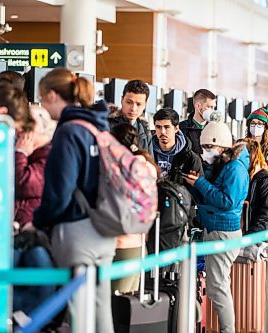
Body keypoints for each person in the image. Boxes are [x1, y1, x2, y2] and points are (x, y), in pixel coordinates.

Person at [32, 68, 116, 332]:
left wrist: (39, 221)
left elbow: (60, 190)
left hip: (77, 231)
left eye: (43, 100)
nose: (44, 108)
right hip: (105, 228)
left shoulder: (68, 131)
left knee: (79, 313)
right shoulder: (98, 125)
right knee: (101, 310)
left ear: (54, 96)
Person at [183, 121, 249, 333]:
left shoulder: (235, 169)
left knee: (218, 288)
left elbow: (226, 201)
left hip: (224, 233)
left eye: (208, 148)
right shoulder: (225, 166)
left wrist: (200, 183)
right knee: (217, 286)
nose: (205, 153)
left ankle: (228, 330)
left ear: (222, 146)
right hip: (215, 229)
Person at [110, 123, 159, 294]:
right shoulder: (147, 167)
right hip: (138, 242)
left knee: (115, 302)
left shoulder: (125, 168)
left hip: (121, 242)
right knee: (129, 304)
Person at [13, 106, 54, 230]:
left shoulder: (48, 155)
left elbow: (24, 183)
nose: (19, 131)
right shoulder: (34, 152)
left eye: (27, 128)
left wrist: (21, 152)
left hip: (30, 227)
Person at [152, 107, 203, 184]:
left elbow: (198, 189)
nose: (162, 132)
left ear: (176, 128)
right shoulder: (148, 153)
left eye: (167, 127)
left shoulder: (191, 159)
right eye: (158, 127)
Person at [108, 79, 154, 157]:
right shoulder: (108, 125)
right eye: (129, 102)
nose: (133, 108)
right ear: (122, 100)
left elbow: (150, 162)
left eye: (139, 104)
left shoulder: (145, 129)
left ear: (145, 105)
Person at [245, 139, 268, 233]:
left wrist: (251, 236)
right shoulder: (242, 176)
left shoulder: (263, 180)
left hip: (254, 237)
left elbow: (266, 215)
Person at [179, 89, 217, 156]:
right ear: (199, 106)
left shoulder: (215, 129)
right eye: (209, 107)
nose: (212, 111)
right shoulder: (182, 128)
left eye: (214, 108)